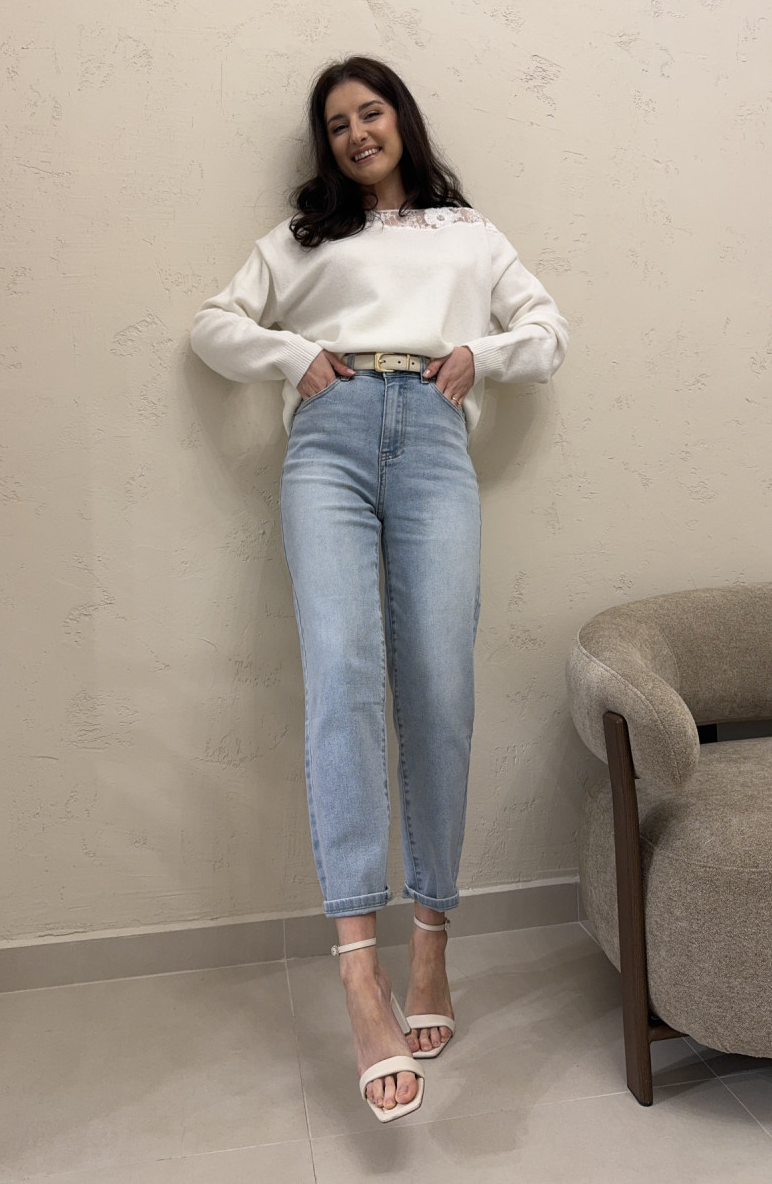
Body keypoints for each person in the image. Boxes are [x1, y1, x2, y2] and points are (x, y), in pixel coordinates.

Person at [190, 56, 569, 1121]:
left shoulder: (467, 232)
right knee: (343, 681)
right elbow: (213, 324)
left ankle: (431, 942)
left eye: (372, 112)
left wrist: (481, 355)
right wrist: (290, 357)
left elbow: (548, 331)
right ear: (327, 144)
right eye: (338, 123)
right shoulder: (303, 237)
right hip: (330, 439)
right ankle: (361, 974)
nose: (358, 132)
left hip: (435, 441)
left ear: (402, 118)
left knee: (440, 689)